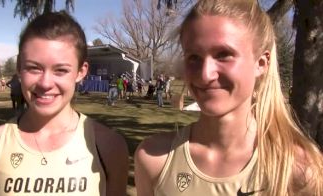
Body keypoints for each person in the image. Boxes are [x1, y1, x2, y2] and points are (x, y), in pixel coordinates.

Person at [134, 1, 323, 196]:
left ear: (261, 63)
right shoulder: (154, 159)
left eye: (224, 55)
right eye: (194, 57)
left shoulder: (297, 171)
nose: (205, 74)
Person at [0, 11, 128, 196]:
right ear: (19, 68)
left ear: (81, 71)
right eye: (33, 68)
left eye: (60, 70)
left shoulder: (108, 147)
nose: (45, 83)